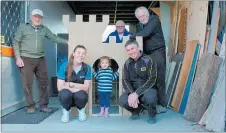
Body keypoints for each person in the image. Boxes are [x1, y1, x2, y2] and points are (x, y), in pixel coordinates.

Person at [12, 9, 69, 113]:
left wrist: (67, 41)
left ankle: (43, 105)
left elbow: (54, 38)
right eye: (35, 16)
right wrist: (18, 57)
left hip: (41, 59)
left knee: (44, 83)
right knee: (27, 84)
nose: (37, 18)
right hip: (26, 58)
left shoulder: (44, 29)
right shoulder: (23, 27)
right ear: (31, 17)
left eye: (39, 17)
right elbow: (16, 42)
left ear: (42, 19)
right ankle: (30, 106)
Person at [133, 6, 167, 112]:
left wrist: (131, 37)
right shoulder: (143, 25)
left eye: (143, 15)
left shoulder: (154, 20)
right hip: (149, 55)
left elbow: (145, 33)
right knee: (150, 79)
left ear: (147, 14)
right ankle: (151, 104)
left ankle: (162, 106)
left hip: (157, 53)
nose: (142, 18)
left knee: (159, 79)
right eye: (139, 17)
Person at [119, 39, 158, 124]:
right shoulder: (127, 63)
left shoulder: (149, 60)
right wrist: (131, 93)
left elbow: (152, 79)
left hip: (148, 88)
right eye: (128, 50)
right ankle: (136, 111)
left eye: (132, 48)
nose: (131, 52)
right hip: (133, 89)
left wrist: (136, 94)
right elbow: (125, 80)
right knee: (122, 100)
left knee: (150, 98)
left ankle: (152, 115)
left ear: (138, 48)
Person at [57, 45, 92, 123]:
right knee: (64, 94)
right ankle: (66, 112)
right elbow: (60, 87)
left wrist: (70, 84)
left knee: (81, 95)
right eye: (78, 53)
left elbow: (86, 87)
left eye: (83, 53)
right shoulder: (64, 66)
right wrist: (79, 88)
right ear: (73, 53)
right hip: (67, 95)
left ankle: (81, 111)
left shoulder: (87, 68)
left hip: (79, 96)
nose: (81, 55)